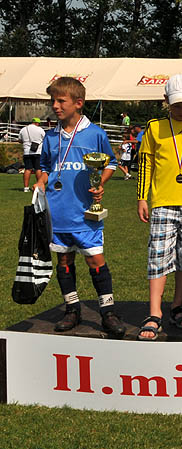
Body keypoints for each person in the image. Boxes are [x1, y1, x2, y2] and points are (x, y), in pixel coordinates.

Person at [33, 77, 124, 335]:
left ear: (78, 103)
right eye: (53, 101)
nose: (55, 105)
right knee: (64, 260)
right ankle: (72, 309)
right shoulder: (50, 136)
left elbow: (110, 163)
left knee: (95, 260)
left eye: (61, 101)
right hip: (58, 211)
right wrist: (41, 182)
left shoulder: (95, 133)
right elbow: (45, 167)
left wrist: (100, 183)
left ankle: (108, 312)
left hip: (85, 213)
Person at [135, 74, 182, 341]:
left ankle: (178, 305)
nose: (181, 109)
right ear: (166, 100)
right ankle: (154, 312)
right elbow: (146, 163)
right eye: (176, 104)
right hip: (162, 202)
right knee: (158, 256)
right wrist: (142, 198)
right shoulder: (154, 127)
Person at [18, 117, 45, 192]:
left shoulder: (23, 129)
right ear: (37, 123)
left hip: (27, 152)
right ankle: (39, 187)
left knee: (27, 169)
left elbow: (20, 140)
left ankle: (26, 188)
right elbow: (45, 138)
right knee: (38, 169)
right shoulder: (40, 130)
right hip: (38, 151)